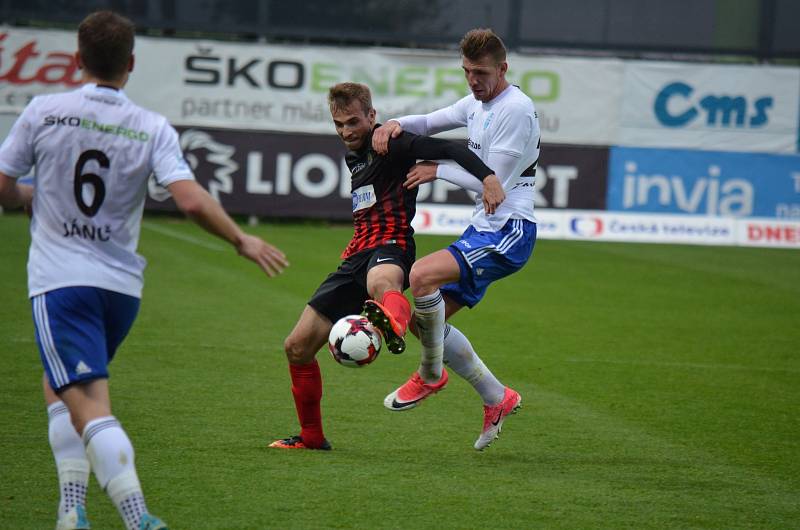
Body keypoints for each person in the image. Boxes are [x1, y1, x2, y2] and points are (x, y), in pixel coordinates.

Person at [0, 11, 288, 530]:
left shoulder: (44, 110)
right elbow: (192, 201)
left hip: (61, 281)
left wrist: (27, 196)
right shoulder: (151, 125)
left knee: (87, 403)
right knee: (61, 384)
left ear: (77, 59)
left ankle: (138, 518)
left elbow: (3, 184)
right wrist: (241, 239)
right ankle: (70, 510)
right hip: (120, 290)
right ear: (130, 63)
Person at [269, 82, 504, 450]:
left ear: (372, 116)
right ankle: (312, 437)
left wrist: (488, 178)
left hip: (391, 245)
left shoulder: (391, 143)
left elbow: (447, 148)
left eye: (353, 122)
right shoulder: (355, 154)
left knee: (383, 284)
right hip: (354, 257)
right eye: (339, 124)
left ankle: (387, 327)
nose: (346, 131)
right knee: (296, 346)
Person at [372, 28, 541, 450]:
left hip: (510, 230)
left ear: (502, 69)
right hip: (483, 229)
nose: (473, 81)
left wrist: (436, 169)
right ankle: (497, 397)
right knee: (422, 320)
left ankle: (430, 375)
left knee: (421, 275)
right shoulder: (477, 102)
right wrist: (393, 123)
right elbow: (430, 121)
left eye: (481, 73)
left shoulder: (516, 110)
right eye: (467, 72)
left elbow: (494, 183)